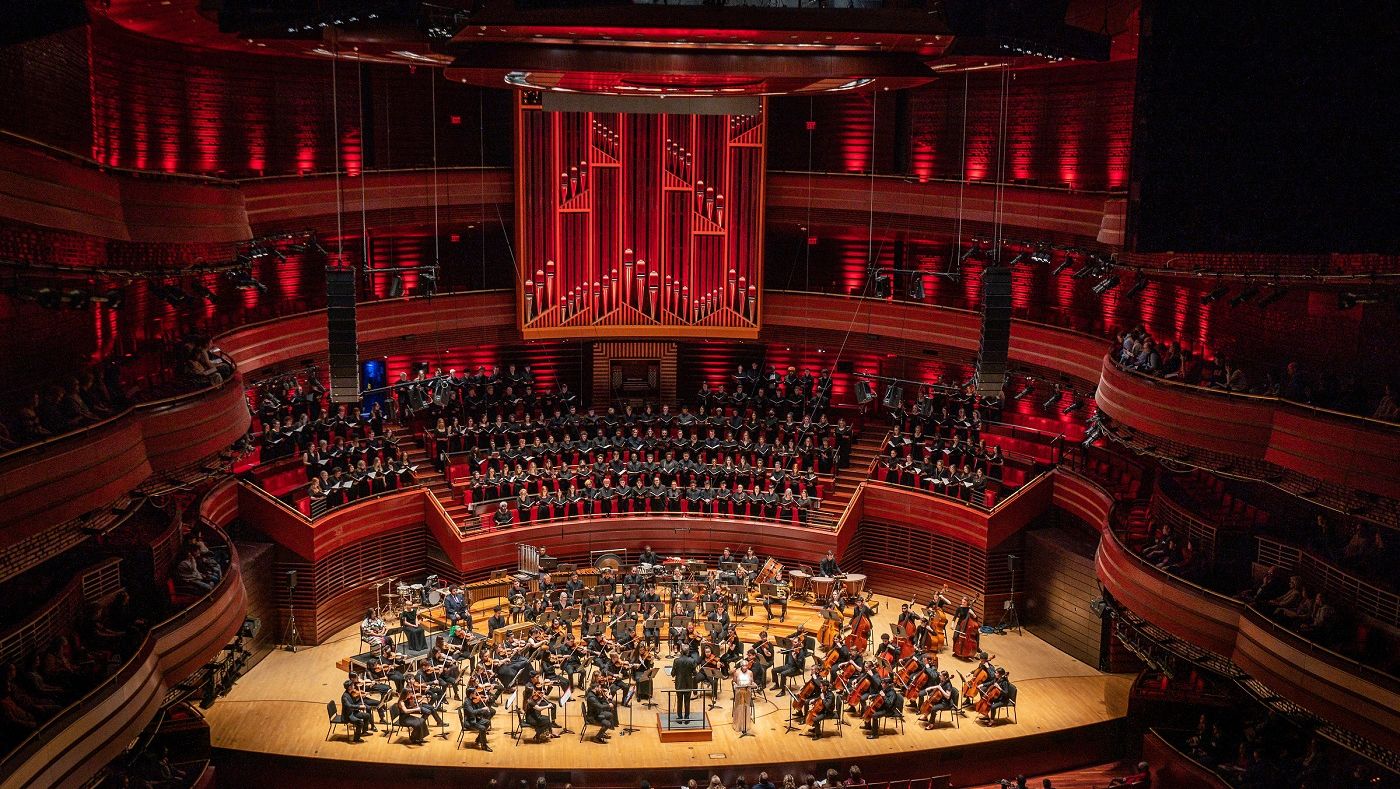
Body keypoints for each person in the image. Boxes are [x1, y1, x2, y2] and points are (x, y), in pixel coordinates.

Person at [672, 645, 698, 722]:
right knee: (687, 701)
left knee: (679, 701)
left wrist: (676, 672)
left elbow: (673, 673)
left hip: (679, 684)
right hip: (688, 684)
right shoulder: (692, 661)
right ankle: (686, 718)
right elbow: (695, 673)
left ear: (681, 651)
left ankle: (679, 718)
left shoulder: (676, 661)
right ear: (688, 652)